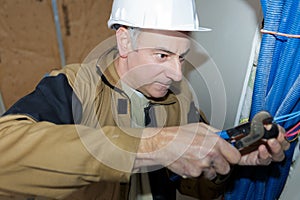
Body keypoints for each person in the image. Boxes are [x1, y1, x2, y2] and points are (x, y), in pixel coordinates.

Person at [0, 0, 290, 199]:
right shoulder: (75, 87)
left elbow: (197, 187)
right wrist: (153, 146)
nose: (177, 74)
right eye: (162, 55)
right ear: (125, 42)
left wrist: (228, 161)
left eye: (182, 58)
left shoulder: (179, 99)